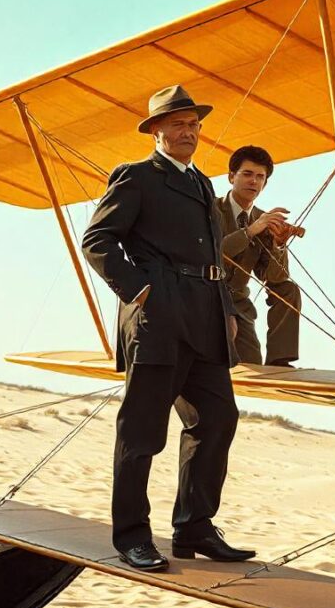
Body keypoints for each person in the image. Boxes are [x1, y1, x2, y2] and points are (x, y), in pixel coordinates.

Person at [81, 84, 254, 573]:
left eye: (194, 124)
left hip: (205, 321)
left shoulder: (201, 183)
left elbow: (211, 257)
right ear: (156, 130)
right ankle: (132, 537)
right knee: (142, 433)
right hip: (157, 321)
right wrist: (139, 290)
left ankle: (194, 528)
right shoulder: (136, 177)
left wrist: (227, 314)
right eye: (177, 124)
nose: (188, 132)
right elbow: (97, 240)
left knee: (217, 419)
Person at [216, 146, 301, 367]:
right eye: (247, 174)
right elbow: (212, 254)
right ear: (231, 176)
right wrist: (251, 230)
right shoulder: (210, 209)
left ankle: (280, 360)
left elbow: (273, 278)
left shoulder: (264, 220)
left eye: (260, 177)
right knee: (217, 366)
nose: (253, 181)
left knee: (289, 289)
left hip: (239, 305)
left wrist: (278, 244)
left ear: (265, 183)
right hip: (206, 299)